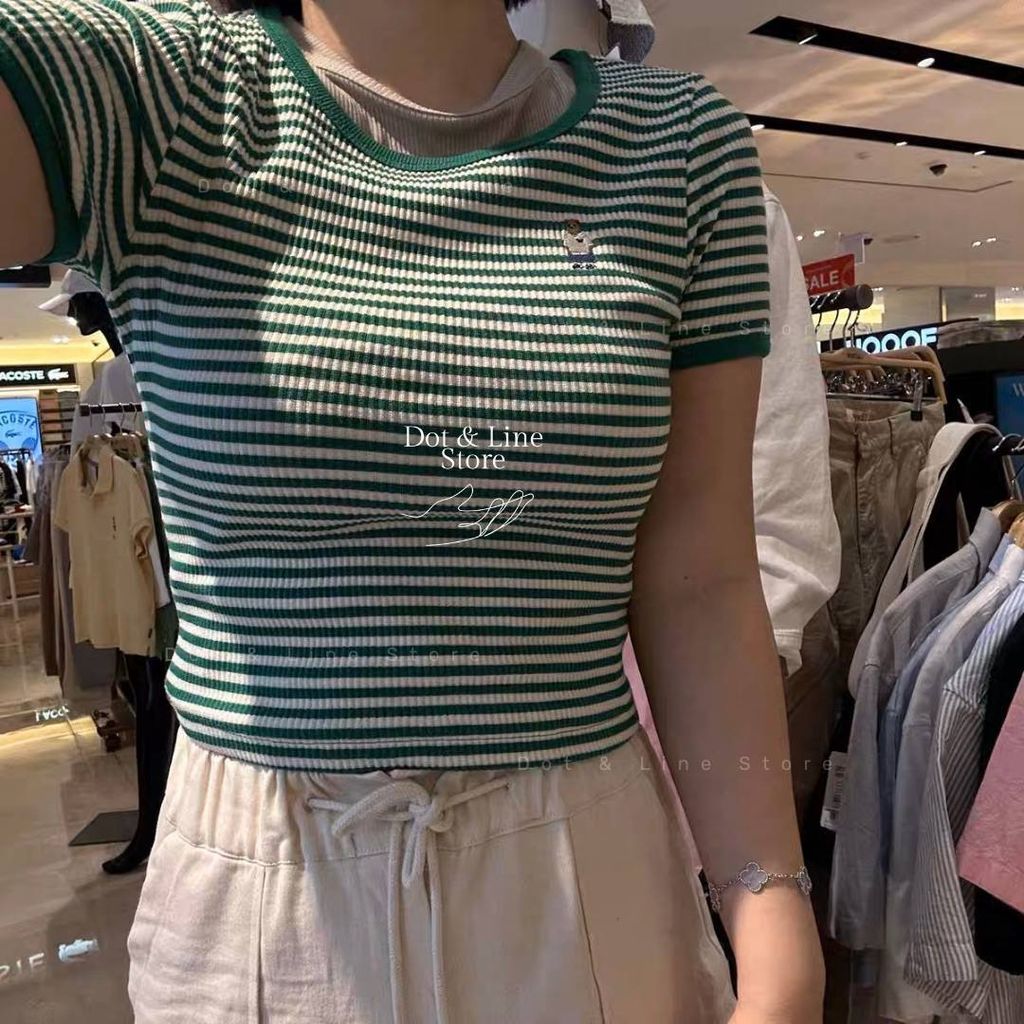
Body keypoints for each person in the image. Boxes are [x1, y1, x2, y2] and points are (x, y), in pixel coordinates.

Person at [0, 1, 826, 1022]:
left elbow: (698, 578)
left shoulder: (678, 143)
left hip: (587, 874)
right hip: (268, 888)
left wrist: (771, 912)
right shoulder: (152, 93)